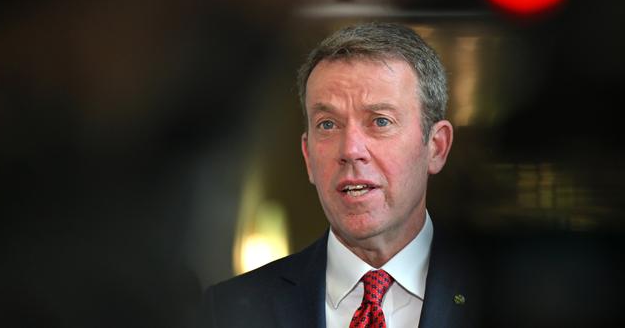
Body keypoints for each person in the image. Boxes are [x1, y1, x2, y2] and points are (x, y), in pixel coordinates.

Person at [201, 22, 477, 327]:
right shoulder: (229, 311)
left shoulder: (510, 300)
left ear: (436, 147)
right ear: (308, 156)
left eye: (380, 121)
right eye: (328, 124)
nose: (350, 149)